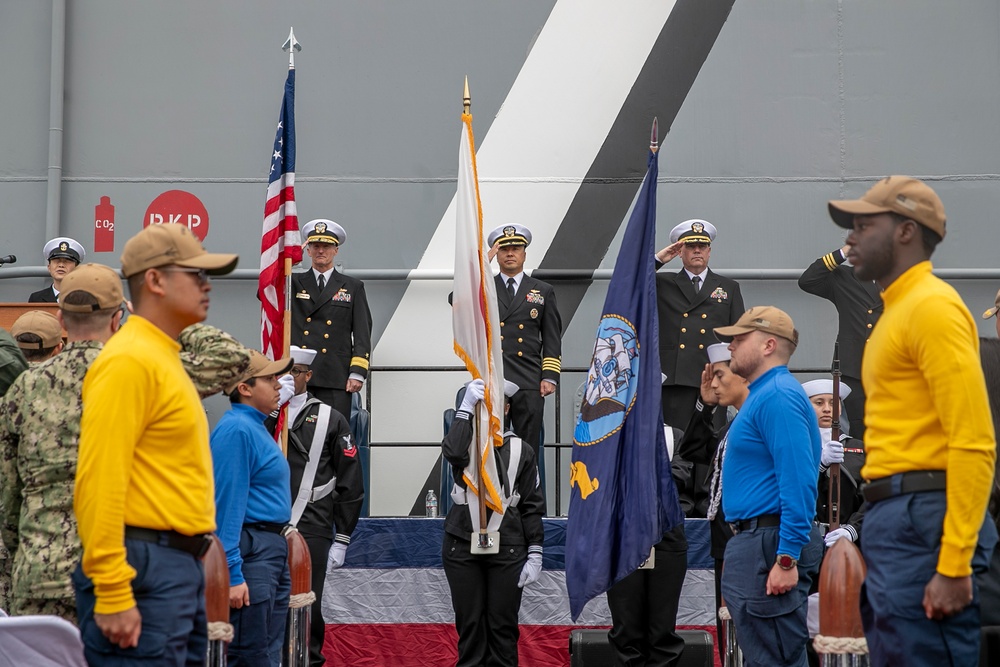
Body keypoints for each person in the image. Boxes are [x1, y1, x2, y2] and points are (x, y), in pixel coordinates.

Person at [828, 176, 998, 666]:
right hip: (900, 516)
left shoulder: (931, 308)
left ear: (906, 232)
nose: (851, 239)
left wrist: (953, 562)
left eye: (863, 225)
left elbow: (973, 441)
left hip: (924, 518)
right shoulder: (898, 309)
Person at [74, 223, 237, 665]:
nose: (207, 286)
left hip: (170, 565)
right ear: (155, 280)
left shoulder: (157, 356)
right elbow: (98, 479)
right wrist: (111, 590)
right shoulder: (129, 361)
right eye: (196, 274)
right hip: (144, 567)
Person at [0, 264, 124, 623]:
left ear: (61, 319)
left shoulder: (24, 388)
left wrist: (28, 550)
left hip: (39, 571)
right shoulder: (140, 378)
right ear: (117, 320)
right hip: (115, 576)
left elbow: (9, 495)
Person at [713, 306, 823, 667]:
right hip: (760, 542)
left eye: (740, 339)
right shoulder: (767, 394)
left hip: (770, 542)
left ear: (768, 345)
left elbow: (798, 480)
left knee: (776, 659)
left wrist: (787, 557)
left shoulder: (777, 395)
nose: (731, 347)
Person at [442, 377, 545, 667]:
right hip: (462, 546)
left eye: (493, 404)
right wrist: (464, 411)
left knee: (502, 630)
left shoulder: (522, 450)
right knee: (471, 630)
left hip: (508, 547)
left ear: (507, 408)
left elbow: (532, 505)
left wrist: (535, 550)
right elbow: (453, 452)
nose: (487, 410)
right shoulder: (465, 441)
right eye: (481, 404)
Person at [278, 345, 364, 667]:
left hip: (311, 525)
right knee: (268, 605)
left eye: (295, 372)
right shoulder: (266, 415)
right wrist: (275, 410)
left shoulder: (331, 418)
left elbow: (351, 480)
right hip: (266, 527)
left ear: (308, 375)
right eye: (282, 373)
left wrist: (343, 536)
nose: (289, 378)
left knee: (307, 608)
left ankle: (309, 661)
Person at [655, 219, 744, 517]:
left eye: (702, 246)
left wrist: (735, 376)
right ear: (680, 251)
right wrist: (658, 260)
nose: (697, 251)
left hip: (713, 376)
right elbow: (629, 285)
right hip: (675, 376)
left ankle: (705, 500)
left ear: (709, 251)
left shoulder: (728, 288)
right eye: (690, 246)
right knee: (676, 440)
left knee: (709, 440)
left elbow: (737, 335)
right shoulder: (662, 282)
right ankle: (676, 500)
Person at [212, 350, 293, 666]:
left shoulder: (251, 426)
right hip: (251, 550)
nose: (278, 384)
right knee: (250, 655)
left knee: (265, 653)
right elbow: (226, 507)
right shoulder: (237, 430)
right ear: (244, 388)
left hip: (264, 548)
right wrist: (232, 572)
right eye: (270, 378)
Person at [675, 343, 748, 663]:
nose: (713, 383)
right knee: (729, 630)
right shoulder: (733, 426)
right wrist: (705, 407)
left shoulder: (760, 417)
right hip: (725, 542)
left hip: (752, 538)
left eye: (719, 375)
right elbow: (693, 450)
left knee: (754, 636)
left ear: (743, 375)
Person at [606, 424, 688, 667]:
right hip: (621, 538)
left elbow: (681, 476)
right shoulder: (607, 432)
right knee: (625, 631)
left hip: (666, 538)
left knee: (662, 631)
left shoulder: (674, 436)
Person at [487, 223, 562, 474]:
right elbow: (458, 300)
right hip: (494, 377)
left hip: (529, 379)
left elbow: (552, 337)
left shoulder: (542, 290)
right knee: (492, 443)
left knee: (528, 446)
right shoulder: (485, 286)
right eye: (504, 248)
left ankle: (528, 503)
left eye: (516, 248)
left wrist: (549, 376)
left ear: (524, 254)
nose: (510, 253)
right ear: (495, 255)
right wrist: (480, 269)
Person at [798, 245, 883, 439]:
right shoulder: (846, 277)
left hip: (892, 368)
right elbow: (807, 280)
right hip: (855, 368)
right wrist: (843, 252)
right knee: (859, 428)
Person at [291, 219, 373, 420]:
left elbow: (362, 332)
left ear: (336, 250)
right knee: (296, 433)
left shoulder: (353, 287)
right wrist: (287, 261)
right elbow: (265, 294)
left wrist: (357, 372)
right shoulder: (291, 282)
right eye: (315, 246)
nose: (321, 251)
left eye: (326, 246)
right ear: (307, 251)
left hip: (335, 375)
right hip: (299, 373)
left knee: (333, 434)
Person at [800, 379, 866, 547]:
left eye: (833, 403)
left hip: (850, 543)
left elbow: (872, 496)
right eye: (819, 403)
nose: (827, 409)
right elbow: (794, 491)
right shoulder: (798, 448)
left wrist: (852, 530)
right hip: (807, 541)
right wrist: (820, 465)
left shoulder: (859, 449)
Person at [28, 237, 85, 302]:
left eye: (67, 261)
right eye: (56, 260)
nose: (61, 265)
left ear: (76, 268)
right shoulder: (36, 298)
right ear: (49, 267)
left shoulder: (85, 299)